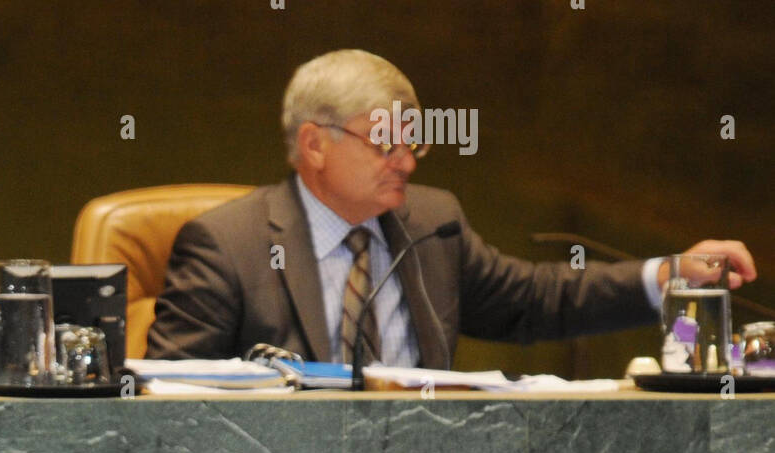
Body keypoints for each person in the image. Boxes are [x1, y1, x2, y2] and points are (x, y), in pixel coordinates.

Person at [147, 48, 756, 367]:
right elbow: (166, 400)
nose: (407, 162)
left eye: (413, 141)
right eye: (385, 142)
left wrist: (670, 273)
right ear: (314, 145)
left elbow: (537, 301)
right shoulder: (228, 244)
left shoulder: (432, 224)